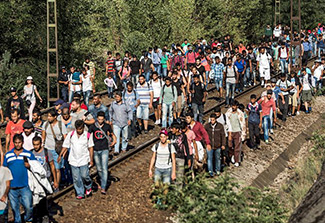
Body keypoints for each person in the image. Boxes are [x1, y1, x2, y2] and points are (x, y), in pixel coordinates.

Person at [3, 134, 36, 223]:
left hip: (25, 185)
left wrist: (29, 166)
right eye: (16, 143)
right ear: (13, 143)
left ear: (23, 143)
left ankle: (28, 219)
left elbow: (36, 167)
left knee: (28, 206)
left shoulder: (28, 154)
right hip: (12, 187)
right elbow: (5, 170)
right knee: (14, 208)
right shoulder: (8, 155)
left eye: (19, 142)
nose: (18, 144)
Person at [58, 120, 94, 199]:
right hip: (73, 159)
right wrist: (60, 155)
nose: (79, 131)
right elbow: (66, 145)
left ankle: (88, 186)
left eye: (80, 129)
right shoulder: (71, 135)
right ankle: (80, 193)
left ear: (83, 128)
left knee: (85, 175)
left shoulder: (87, 135)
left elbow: (90, 148)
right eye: (77, 129)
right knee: (76, 178)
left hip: (84, 159)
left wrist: (91, 159)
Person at [89, 111, 116, 194]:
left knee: (104, 168)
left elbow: (112, 134)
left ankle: (103, 187)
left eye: (102, 119)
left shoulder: (107, 126)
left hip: (104, 149)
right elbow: (88, 136)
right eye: (99, 119)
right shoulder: (93, 126)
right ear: (97, 118)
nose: (100, 121)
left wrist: (114, 140)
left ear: (104, 119)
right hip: (96, 149)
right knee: (99, 169)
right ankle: (102, 180)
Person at [31, 136, 56, 222]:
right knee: (36, 198)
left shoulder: (46, 152)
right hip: (36, 180)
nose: (35, 147)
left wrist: (55, 180)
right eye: (34, 145)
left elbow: (52, 166)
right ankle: (38, 215)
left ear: (41, 144)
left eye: (37, 145)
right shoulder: (31, 153)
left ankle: (44, 215)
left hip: (45, 179)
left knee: (44, 198)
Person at [42, 109, 67, 190]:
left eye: (50, 116)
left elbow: (65, 137)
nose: (48, 118)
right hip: (47, 149)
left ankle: (57, 185)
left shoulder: (60, 125)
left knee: (57, 168)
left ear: (55, 117)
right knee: (50, 168)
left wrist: (64, 150)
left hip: (57, 150)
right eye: (48, 116)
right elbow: (43, 136)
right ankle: (52, 183)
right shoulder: (45, 124)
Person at [225, 100, 246, 167]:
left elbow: (243, 124)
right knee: (230, 145)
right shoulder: (228, 112)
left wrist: (243, 134)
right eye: (232, 106)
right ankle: (232, 155)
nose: (233, 107)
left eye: (234, 106)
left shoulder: (240, 113)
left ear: (237, 106)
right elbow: (227, 123)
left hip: (238, 131)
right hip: (230, 132)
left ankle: (237, 160)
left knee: (237, 147)